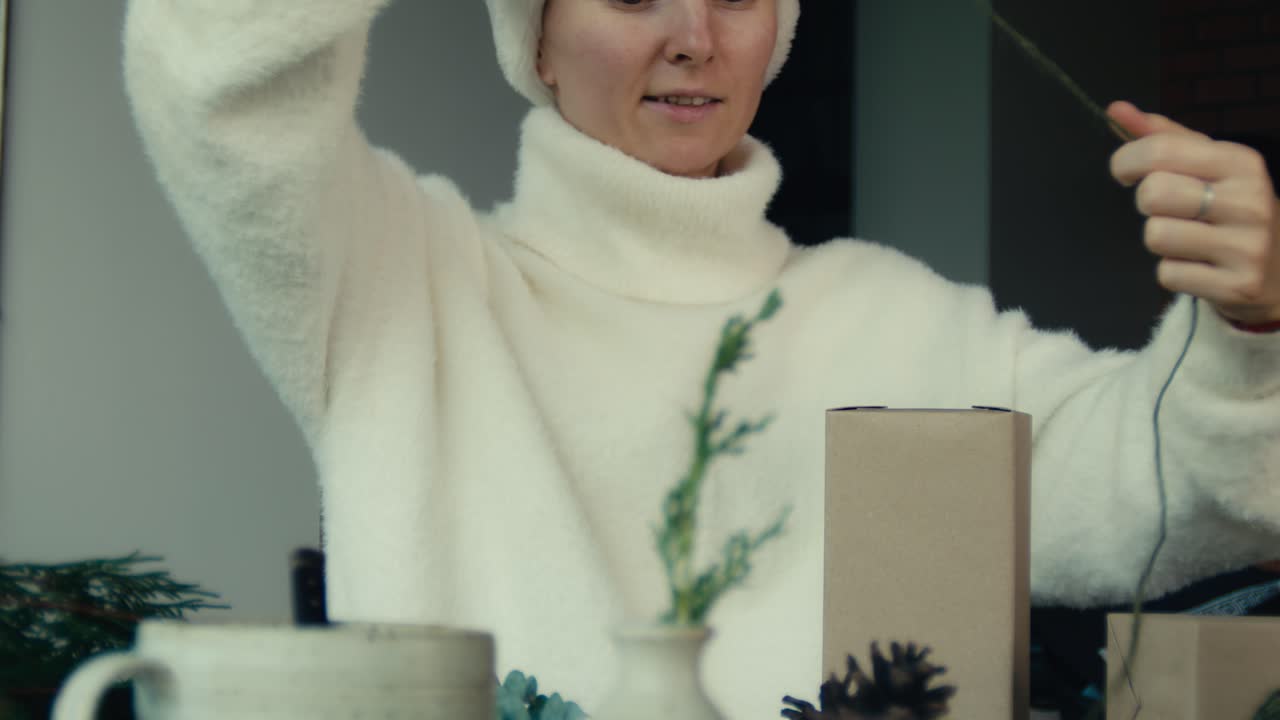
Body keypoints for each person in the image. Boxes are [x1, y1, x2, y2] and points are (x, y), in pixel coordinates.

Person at [123, 0, 1280, 715]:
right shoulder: (393, 283)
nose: (693, 33)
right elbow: (215, 83)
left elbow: (1155, 499)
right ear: (534, 30)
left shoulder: (899, 317)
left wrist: (1250, 334)